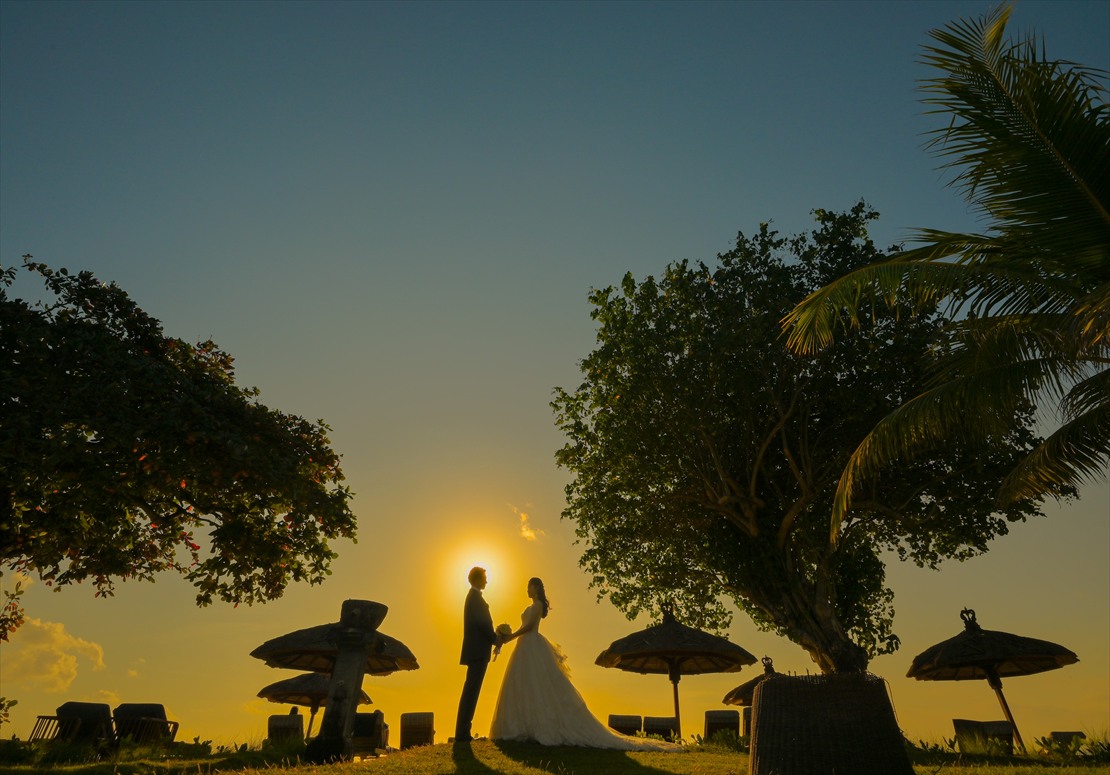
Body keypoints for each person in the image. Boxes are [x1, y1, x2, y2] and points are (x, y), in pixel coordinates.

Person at [489, 577, 680, 750]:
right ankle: (521, 726)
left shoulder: (538, 605)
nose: (527, 590)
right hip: (524, 648)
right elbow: (525, 626)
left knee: (540, 687)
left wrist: (510, 637)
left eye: (529, 586)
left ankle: (537, 727)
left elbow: (529, 627)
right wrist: (507, 636)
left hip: (531, 646)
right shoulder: (531, 606)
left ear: (536, 587)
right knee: (524, 686)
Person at [454, 566, 499, 742]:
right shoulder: (475, 599)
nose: (487, 581)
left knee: (471, 692)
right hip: (478, 652)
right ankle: (463, 733)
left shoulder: (473, 598)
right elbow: (483, 625)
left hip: (476, 651)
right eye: (485, 578)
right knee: (471, 693)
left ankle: (463, 731)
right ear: (478, 579)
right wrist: (496, 638)